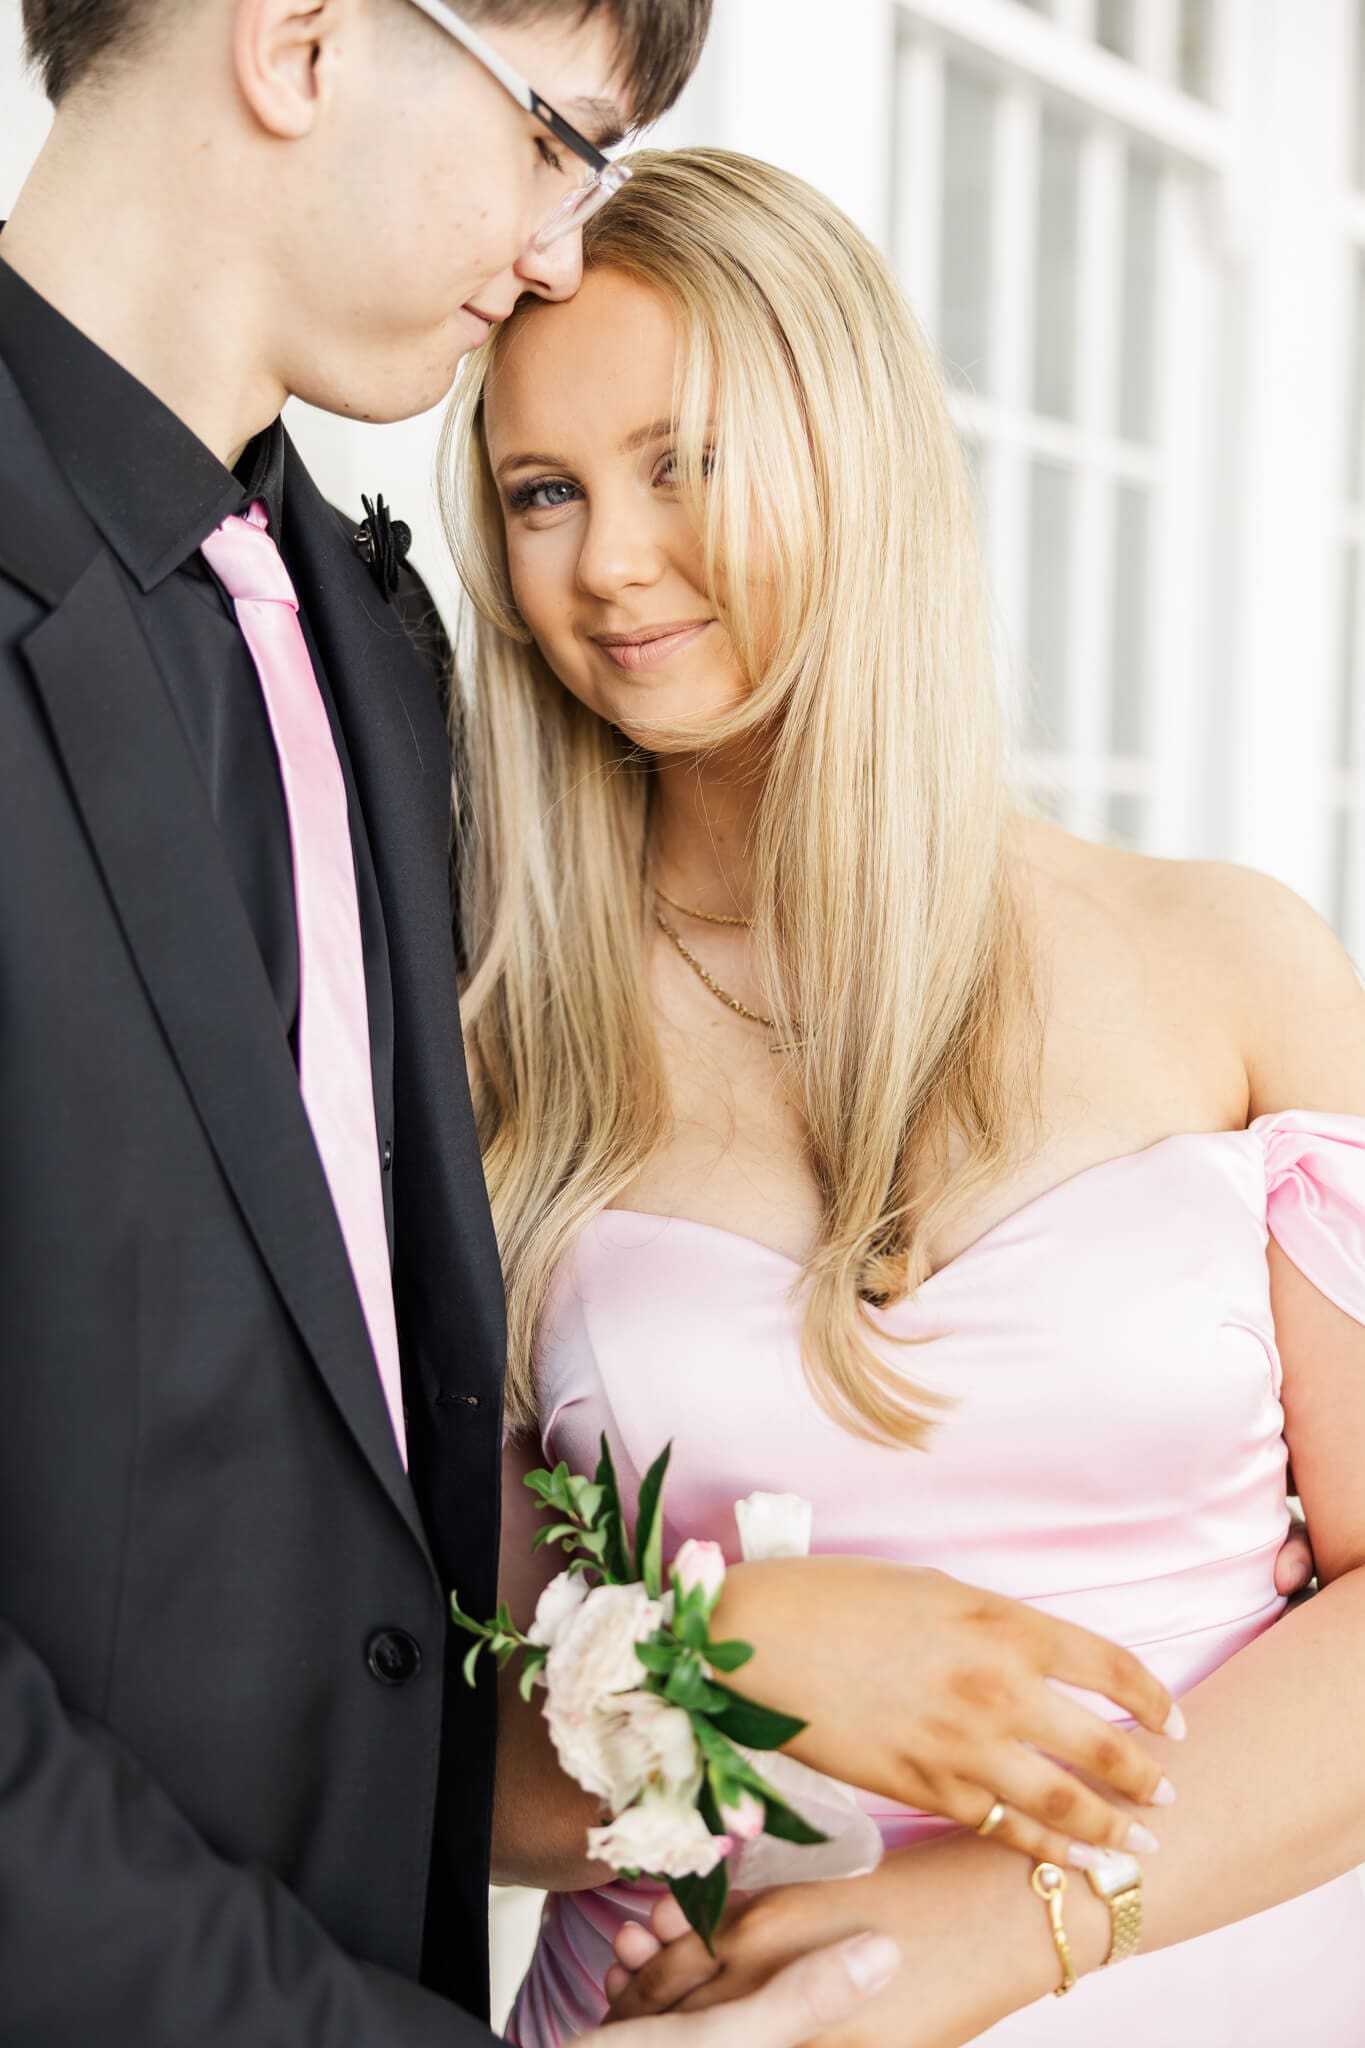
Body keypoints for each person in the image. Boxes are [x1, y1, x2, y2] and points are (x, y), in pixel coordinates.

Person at [0, 3, 1223, 2041]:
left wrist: (677, 1759)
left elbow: (361, 1605)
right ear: (299, 42)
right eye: (564, 134)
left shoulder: (375, 658)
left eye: (686, 462)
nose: (565, 241)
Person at [443, 146, 1365, 2047]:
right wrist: (716, 1670)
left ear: (851, 454)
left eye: (681, 459)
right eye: (546, 492)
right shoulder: (479, 1055)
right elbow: (419, 1746)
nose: (608, 559)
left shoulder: (1233, 965)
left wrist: (1013, 1922)